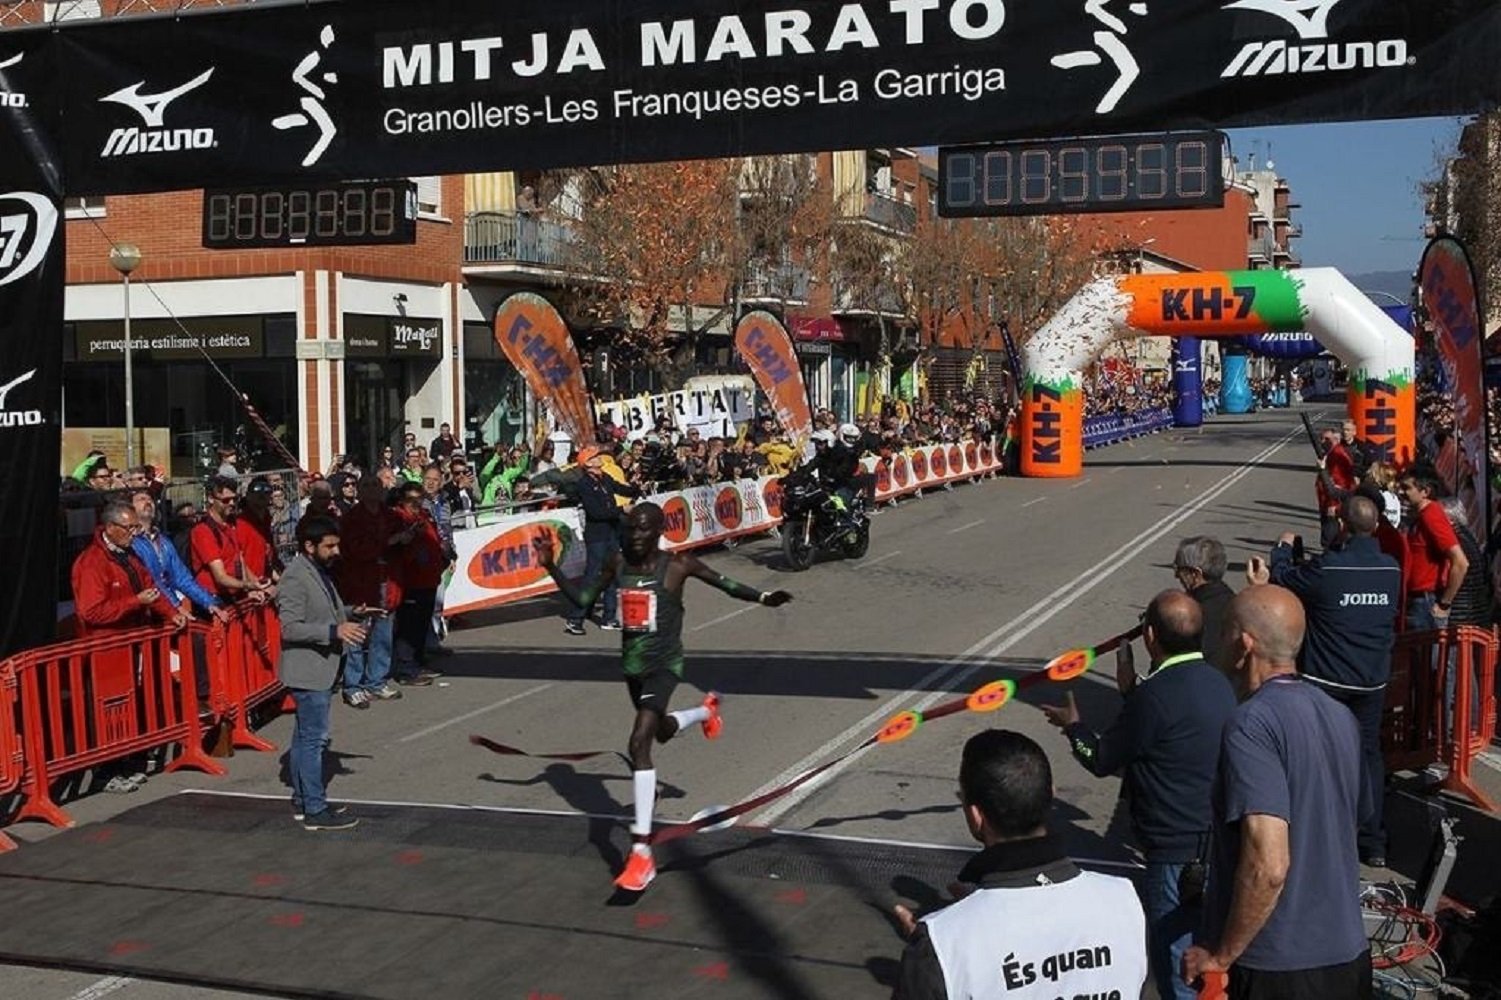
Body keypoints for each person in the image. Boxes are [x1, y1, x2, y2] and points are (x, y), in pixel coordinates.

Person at [534, 503, 791, 892]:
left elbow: (724, 583)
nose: (632, 536)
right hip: (633, 666)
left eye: (640, 530)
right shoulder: (616, 563)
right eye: (628, 529)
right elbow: (583, 600)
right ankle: (705, 713)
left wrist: (764, 597)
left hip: (665, 665)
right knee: (661, 731)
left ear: (657, 532)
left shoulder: (678, 566)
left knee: (639, 742)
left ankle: (641, 853)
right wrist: (551, 566)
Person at [1042, 591, 1236, 1000]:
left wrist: (1074, 727)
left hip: (1172, 852)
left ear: (1149, 636)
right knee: (1206, 956)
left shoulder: (1155, 696)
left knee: (1175, 962)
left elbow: (1101, 758)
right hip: (1217, 844)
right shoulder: (1219, 684)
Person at [1184, 585, 1371, 998]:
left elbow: (1268, 865)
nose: (1216, 645)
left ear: (1244, 644)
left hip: (1278, 966)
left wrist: (1222, 956)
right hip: (1348, 954)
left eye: (1223, 633)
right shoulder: (1340, 717)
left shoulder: (1251, 725)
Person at [891, 730, 1148, 1000]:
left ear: (975, 815)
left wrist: (931, 960)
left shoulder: (944, 941)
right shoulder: (1124, 899)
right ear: (1050, 796)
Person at [1249, 495, 1401, 867]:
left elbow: (1284, 577)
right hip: (1371, 681)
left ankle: (1316, 835)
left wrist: (1283, 547)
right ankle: (1373, 841)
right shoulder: (1391, 569)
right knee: (1368, 757)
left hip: (1326, 681)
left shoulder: (1329, 569)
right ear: (1377, 526)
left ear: (1344, 527)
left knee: (1317, 757)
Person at [276, 515, 368, 831]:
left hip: (319, 669)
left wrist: (353, 612)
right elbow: (290, 628)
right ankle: (315, 808)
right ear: (309, 546)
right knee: (314, 740)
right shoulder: (294, 577)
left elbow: (327, 610)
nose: (336, 550)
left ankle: (306, 800)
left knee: (305, 739)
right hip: (308, 671)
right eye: (329, 545)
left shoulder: (316, 571)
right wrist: (334, 631)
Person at [562, 447, 640, 635]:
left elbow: (623, 489)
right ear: (587, 464)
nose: (599, 458)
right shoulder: (584, 485)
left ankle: (609, 617)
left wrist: (636, 486)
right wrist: (622, 510)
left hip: (612, 533)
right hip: (597, 536)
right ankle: (575, 618)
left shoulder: (604, 477)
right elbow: (596, 513)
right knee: (592, 577)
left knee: (612, 575)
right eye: (595, 457)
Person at [1398, 469, 1468, 631]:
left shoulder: (1431, 515)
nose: (1401, 492)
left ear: (1425, 492)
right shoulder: (1422, 516)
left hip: (1426, 601)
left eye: (1407, 488)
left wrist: (1444, 604)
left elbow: (1461, 562)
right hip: (1420, 600)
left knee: (1426, 654)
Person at [1172, 536, 1235, 669]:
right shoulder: (1235, 602)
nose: (1176, 575)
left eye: (1179, 569)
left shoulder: (1189, 615)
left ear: (1196, 574)